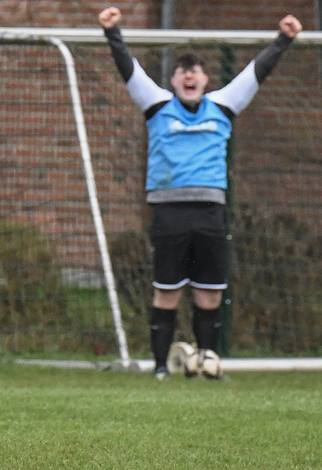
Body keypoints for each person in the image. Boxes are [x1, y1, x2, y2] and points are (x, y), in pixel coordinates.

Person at [98, 7, 302, 380]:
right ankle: (161, 366)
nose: (189, 76)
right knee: (167, 292)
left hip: (209, 212)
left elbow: (257, 72)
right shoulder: (157, 106)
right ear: (174, 80)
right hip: (168, 213)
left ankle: (208, 362)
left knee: (209, 294)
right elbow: (129, 68)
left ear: (206, 80)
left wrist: (284, 38)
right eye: (182, 71)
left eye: (195, 72)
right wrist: (113, 32)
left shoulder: (223, 106)